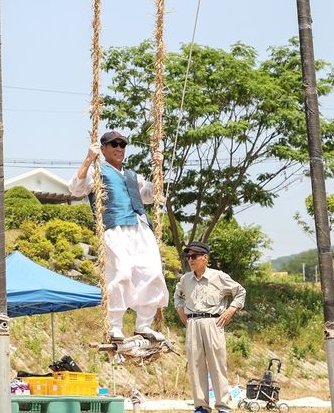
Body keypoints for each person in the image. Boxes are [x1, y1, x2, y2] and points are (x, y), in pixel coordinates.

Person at [68, 130, 169, 341]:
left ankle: (143, 324)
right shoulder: (98, 171)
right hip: (114, 226)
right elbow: (75, 189)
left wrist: (158, 167)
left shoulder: (133, 176)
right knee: (122, 273)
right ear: (103, 148)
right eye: (113, 144)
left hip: (140, 227)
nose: (118, 148)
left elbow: (154, 195)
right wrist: (88, 159)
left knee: (152, 272)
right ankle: (114, 325)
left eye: (122, 145)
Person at [174, 241, 246, 413]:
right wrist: (180, 312)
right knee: (195, 365)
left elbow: (240, 291)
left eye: (194, 256)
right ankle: (201, 406)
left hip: (214, 323)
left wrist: (230, 310)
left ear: (205, 258)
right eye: (188, 256)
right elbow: (177, 296)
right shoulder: (185, 279)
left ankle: (222, 406)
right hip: (193, 324)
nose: (190, 260)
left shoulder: (218, 276)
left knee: (217, 365)